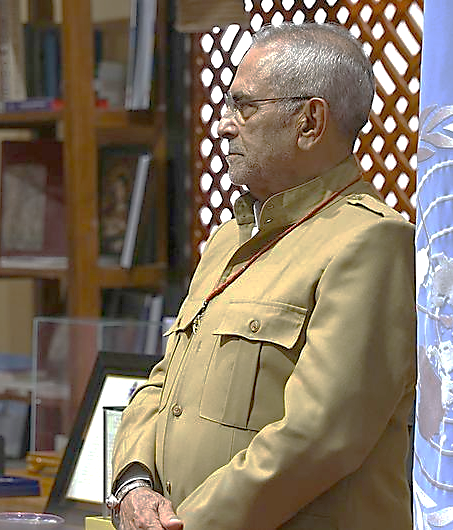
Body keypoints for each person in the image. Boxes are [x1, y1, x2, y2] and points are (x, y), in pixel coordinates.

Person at [108, 23, 415, 529]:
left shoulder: (370, 243)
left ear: (310, 121)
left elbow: (318, 438)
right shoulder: (230, 239)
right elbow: (163, 384)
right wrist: (134, 484)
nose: (224, 125)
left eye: (243, 107)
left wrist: (185, 525)